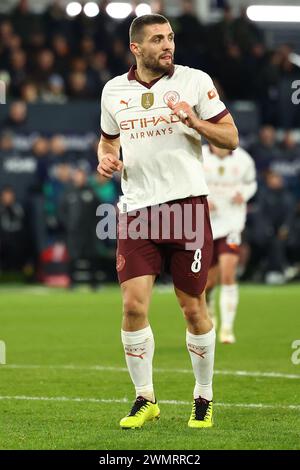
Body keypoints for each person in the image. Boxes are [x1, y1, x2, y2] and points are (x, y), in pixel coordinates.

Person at [97, 14, 238, 429]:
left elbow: (230, 137)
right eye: (158, 39)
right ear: (136, 49)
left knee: (192, 308)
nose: (168, 45)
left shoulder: (194, 81)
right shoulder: (113, 90)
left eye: (171, 37)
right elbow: (108, 138)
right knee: (133, 305)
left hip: (186, 209)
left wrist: (194, 121)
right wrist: (106, 157)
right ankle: (145, 399)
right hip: (137, 209)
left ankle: (203, 396)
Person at [203, 144, 257, 343]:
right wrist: (203, 200)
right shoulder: (199, 156)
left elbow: (251, 183)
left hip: (232, 223)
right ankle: (209, 305)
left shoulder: (243, 159)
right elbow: (186, 182)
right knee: (208, 282)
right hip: (206, 224)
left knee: (228, 273)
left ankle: (227, 329)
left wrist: (244, 194)